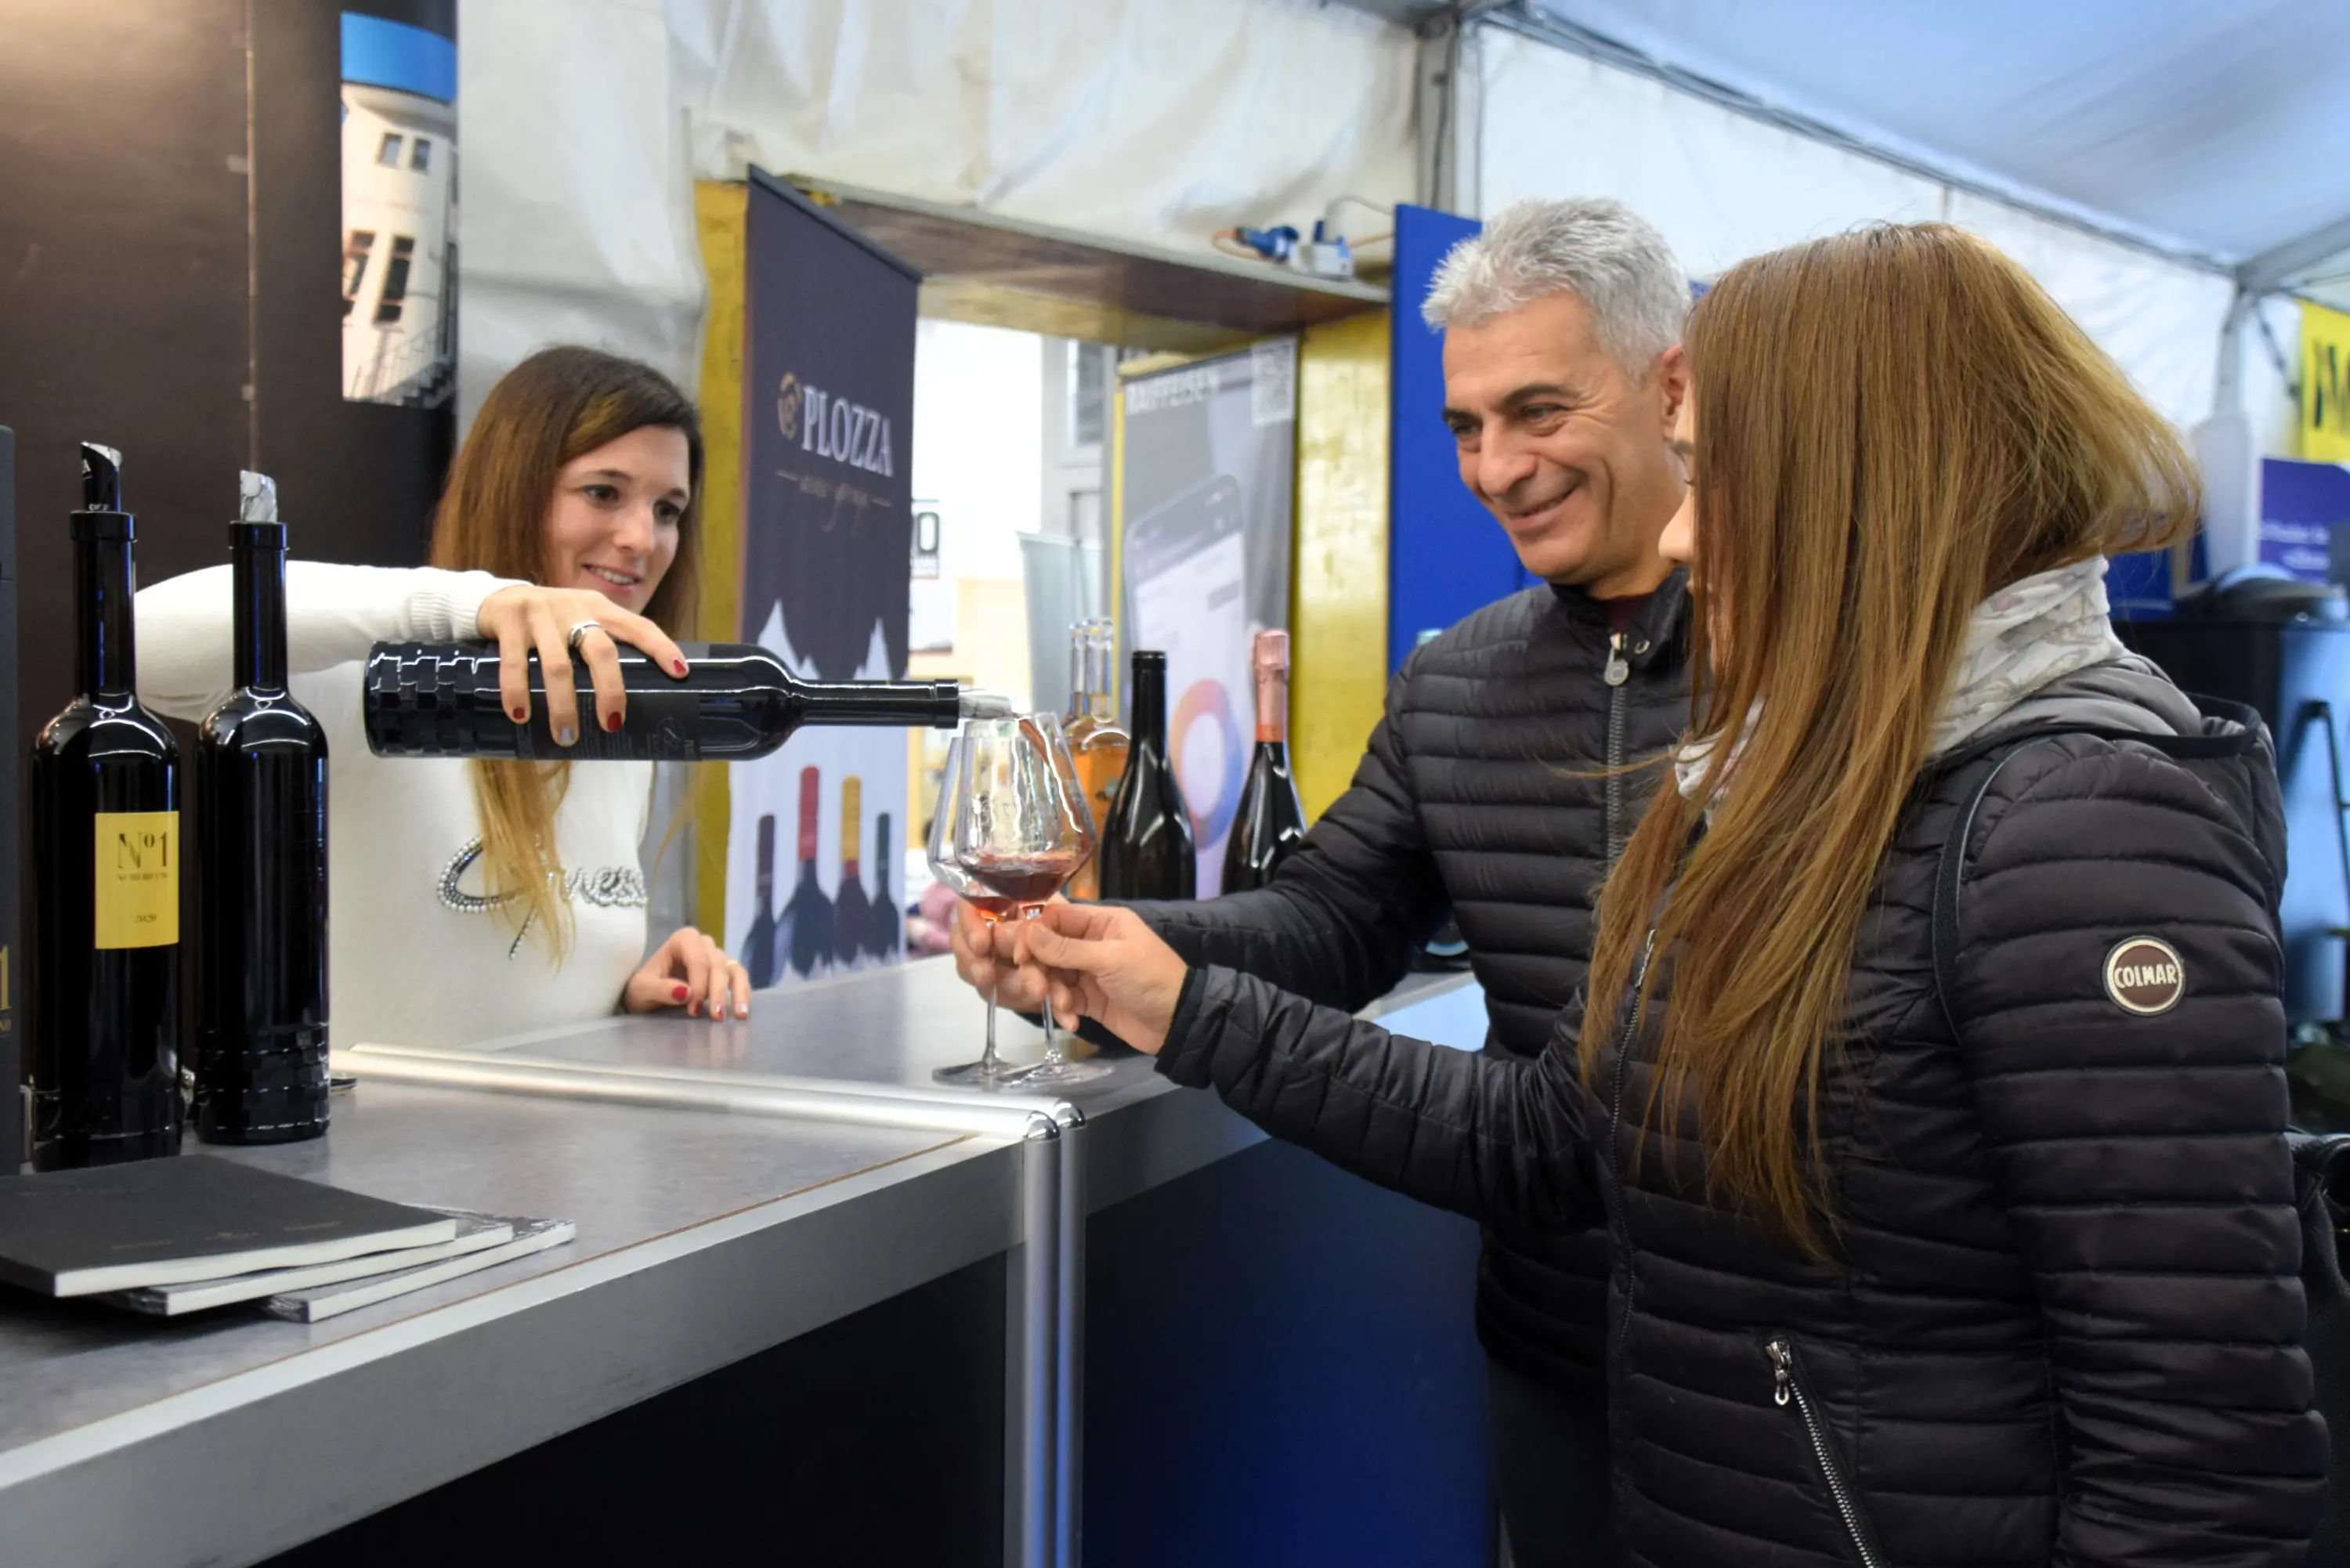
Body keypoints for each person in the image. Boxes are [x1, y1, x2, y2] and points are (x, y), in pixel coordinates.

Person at [1013, 224, 2326, 1564]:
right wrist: (1160, 981)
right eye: (1468, 424)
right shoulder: (1782, 763)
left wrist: (1198, 1010)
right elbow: (1565, 1133)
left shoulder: (2073, 813)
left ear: (1863, 479)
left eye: (1717, 471)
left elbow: (2199, 1467)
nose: (1689, 531)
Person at [960, 197, 1693, 1563]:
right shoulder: (1460, 679)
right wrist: (1103, 939)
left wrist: (1185, 1001)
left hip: (1780, 1377)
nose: (1498, 466)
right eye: (1465, 426)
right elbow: (1331, 919)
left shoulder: (1809, 667)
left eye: (1539, 410)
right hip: (1550, 1352)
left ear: (1673, 386)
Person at [139, 345, 754, 1050]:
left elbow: (510, 989)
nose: (642, 538)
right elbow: (143, 649)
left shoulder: (620, 731)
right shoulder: (383, 695)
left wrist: (625, 999)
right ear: (513, 487)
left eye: (668, 509)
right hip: (372, 1158)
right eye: (604, 493)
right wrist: (472, 600)